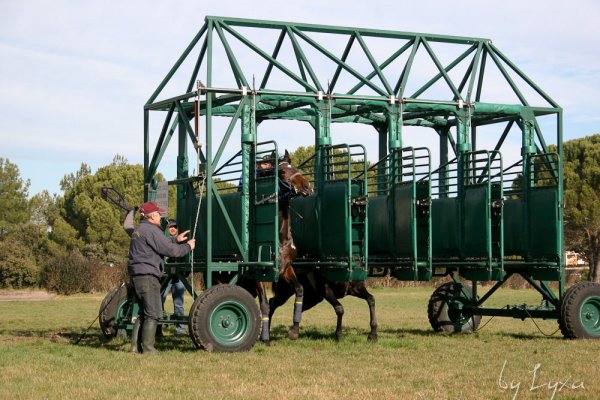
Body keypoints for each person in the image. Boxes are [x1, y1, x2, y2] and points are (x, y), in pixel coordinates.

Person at [127, 201, 195, 354]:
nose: (160, 217)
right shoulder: (152, 230)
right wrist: (188, 246)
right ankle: (149, 348)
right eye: (158, 214)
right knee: (154, 313)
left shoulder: (139, 230)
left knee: (144, 313)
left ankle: (134, 347)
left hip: (137, 275)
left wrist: (175, 239)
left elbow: (158, 244)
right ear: (151, 217)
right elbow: (171, 251)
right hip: (148, 276)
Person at [162, 219, 186, 334]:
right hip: (166, 277)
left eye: (175, 227)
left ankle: (180, 329)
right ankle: (158, 328)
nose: (173, 229)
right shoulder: (164, 240)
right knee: (159, 301)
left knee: (179, 304)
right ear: (167, 229)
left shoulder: (183, 241)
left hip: (178, 278)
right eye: (171, 227)